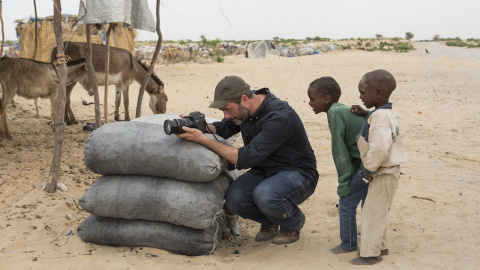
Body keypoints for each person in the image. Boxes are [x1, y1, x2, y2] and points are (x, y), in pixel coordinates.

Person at [177, 75, 318, 245]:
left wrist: (203, 139)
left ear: (244, 100)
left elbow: (245, 158)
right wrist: (200, 126)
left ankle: (293, 223)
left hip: (298, 173)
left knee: (265, 195)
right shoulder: (244, 109)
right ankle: (269, 222)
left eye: (227, 110)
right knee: (235, 199)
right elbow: (223, 128)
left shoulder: (279, 116)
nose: (226, 115)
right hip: (265, 171)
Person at [349, 69, 407, 265]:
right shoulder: (383, 113)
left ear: (379, 93)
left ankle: (371, 254)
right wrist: (367, 113)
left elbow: (380, 148)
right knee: (380, 212)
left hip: (382, 172)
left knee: (372, 214)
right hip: (390, 173)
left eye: (363, 92)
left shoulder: (380, 118)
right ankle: (381, 246)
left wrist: (368, 169)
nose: (360, 96)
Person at [307, 77, 368, 254]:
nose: (310, 103)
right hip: (374, 162)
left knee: (347, 200)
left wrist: (344, 183)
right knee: (367, 200)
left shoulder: (335, 113)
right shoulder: (341, 109)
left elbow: (339, 152)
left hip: (370, 164)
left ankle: (348, 245)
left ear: (326, 99)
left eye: (312, 99)